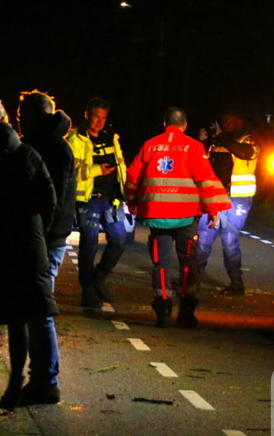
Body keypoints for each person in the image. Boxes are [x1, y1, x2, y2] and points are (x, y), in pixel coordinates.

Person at [0, 98, 57, 415]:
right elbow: (49, 200)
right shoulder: (26, 153)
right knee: (19, 320)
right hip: (24, 248)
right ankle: (16, 384)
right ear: (7, 121)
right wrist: (35, 233)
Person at [125, 107, 230, 328]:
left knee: (161, 264)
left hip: (157, 214)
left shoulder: (150, 145)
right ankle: (186, 313)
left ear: (165, 124)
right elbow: (205, 180)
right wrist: (213, 210)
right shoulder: (194, 147)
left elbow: (133, 175)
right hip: (186, 216)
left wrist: (132, 201)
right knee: (187, 263)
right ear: (185, 125)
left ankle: (162, 310)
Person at [15, 89, 76, 406]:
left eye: (22, 115)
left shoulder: (50, 149)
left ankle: (46, 381)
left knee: (39, 312)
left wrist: (39, 237)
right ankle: (41, 378)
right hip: (46, 239)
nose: (18, 121)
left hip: (46, 241)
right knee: (35, 310)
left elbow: (51, 200)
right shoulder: (49, 145)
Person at [66, 97, 128, 308]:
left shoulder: (112, 137)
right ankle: (88, 292)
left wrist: (125, 190)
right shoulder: (76, 139)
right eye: (96, 116)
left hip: (112, 199)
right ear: (87, 115)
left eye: (103, 117)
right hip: (89, 200)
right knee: (89, 246)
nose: (99, 122)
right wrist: (97, 170)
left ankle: (98, 278)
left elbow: (121, 166)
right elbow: (71, 172)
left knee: (119, 241)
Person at [197, 109, 260, 294]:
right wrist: (204, 142)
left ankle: (236, 282)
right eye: (223, 120)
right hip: (214, 197)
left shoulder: (248, 140)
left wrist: (221, 136)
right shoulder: (218, 141)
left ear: (240, 121)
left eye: (229, 120)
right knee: (203, 238)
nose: (225, 124)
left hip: (237, 198)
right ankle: (192, 278)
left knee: (229, 240)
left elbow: (243, 153)